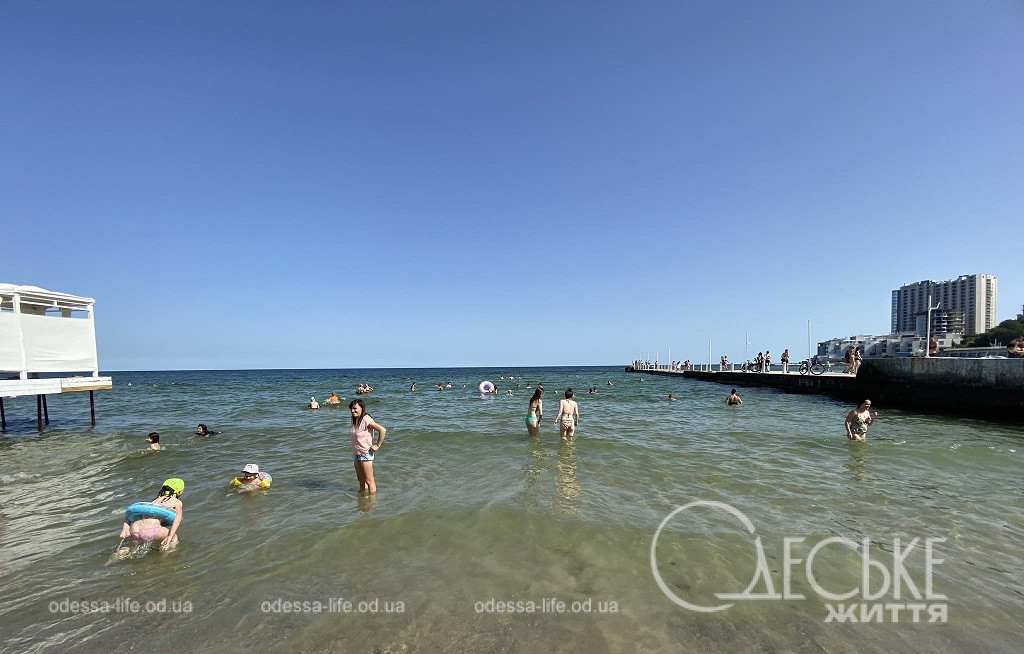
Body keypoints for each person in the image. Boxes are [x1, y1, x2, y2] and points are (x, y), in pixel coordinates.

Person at [117, 478, 184, 556]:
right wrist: (170, 536)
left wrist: (125, 529)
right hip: (151, 531)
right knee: (174, 537)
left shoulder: (154, 501)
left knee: (131, 548)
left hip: (134, 528)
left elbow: (130, 513)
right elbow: (178, 518)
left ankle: (114, 558)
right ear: (179, 492)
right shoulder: (176, 501)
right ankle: (165, 560)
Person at [349, 399, 387, 494]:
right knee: (361, 481)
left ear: (362, 408)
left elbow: (382, 430)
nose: (352, 411)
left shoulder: (366, 419)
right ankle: (363, 501)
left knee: (369, 481)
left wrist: (377, 445)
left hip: (365, 454)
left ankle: (372, 503)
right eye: (351, 409)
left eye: (355, 408)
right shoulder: (355, 419)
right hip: (357, 454)